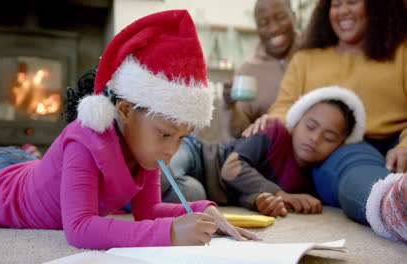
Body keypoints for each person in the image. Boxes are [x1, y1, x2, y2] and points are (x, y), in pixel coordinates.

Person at [0, 10, 259, 250]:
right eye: (164, 133)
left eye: (181, 138)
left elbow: (148, 211)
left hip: (16, 167)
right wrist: (172, 233)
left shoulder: (144, 151)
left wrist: (205, 210)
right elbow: (78, 229)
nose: (172, 150)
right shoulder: (86, 139)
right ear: (124, 111)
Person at [241, 0, 407, 227]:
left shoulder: (402, 52)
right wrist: (270, 122)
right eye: (336, 4)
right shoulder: (306, 59)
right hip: (341, 148)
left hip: (398, 145)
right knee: (356, 168)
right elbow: (284, 107)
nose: (343, 11)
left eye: (352, 2)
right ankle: (394, 207)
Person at [167, 86, 365, 217]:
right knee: (164, 171)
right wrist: (280, 194)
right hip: (198, 155)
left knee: (188, 198)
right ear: (296, 123)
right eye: (310, 126)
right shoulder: (275, 131)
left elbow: (246, 192)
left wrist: (262, 201)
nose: (315, 138)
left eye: (329, 138)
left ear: (340, 145)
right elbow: (232, 168)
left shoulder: (310, 180)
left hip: (206, 189)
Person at [223, 0, 298, 138]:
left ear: (294, 16)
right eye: (264, 23)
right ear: (257, 27)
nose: (274, 28)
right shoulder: (247, 70)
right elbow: (241, 133)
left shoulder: (311, 56)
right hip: (269, 151)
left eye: (281, 18)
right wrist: (230, 106)